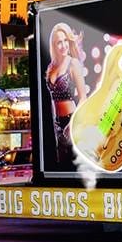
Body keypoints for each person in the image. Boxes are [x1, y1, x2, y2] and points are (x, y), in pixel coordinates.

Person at [44, 23, 89, 164]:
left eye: (65, 41)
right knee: (62, 163)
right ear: (53, 45)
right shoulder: (51, 68)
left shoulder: (73, 63)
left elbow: (83, 97)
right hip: (56, 123)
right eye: (59, 42)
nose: (63, 45)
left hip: (71, 121)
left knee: (74, 162)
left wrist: (73, 122)